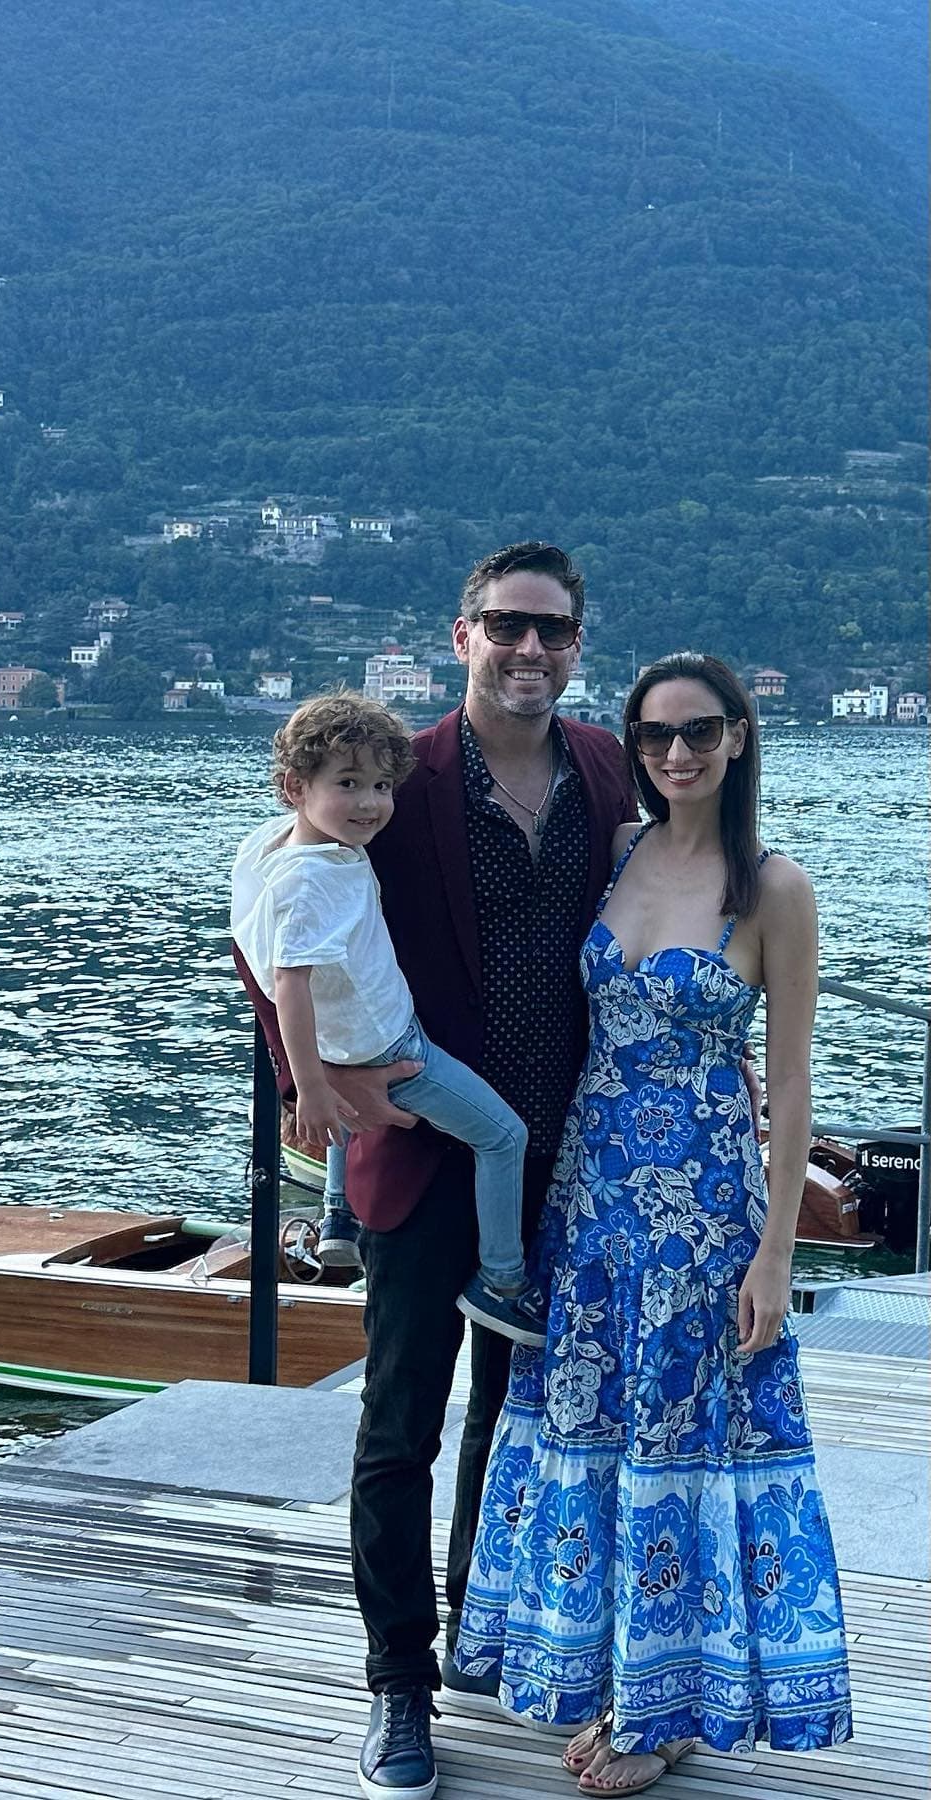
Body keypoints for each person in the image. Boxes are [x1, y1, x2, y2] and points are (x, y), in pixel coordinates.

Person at [232, 542, 639, 1800]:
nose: (531, 649)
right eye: (507, 625)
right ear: (461, 635)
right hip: (417, 1149)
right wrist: (309, 1083)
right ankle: (398, 1684)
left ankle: (480, 1631)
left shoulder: (603, 765)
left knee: (516, 1417)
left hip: (559, 1156)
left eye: (553, 631)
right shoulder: (388, 775)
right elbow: (265, 912)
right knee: (399, 1419)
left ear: (577, 645)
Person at [453, 653, 853, 1793]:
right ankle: (601, 1674)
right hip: (592, 1204)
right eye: (654, 735)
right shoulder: (617, 850)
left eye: (699, 732)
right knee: (596, 1433)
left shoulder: (770, 887)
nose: (677, 753)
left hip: (705, 1211)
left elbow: (789, 1089)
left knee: (679, 1444)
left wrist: (777, 1254)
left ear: (738, 739)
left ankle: (664, 1710)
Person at [230, 690, 544, 1344]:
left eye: (380, 784)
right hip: (393, 1052)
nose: (371, 804)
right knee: (503, 1137)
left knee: (356, 1117)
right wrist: (310, 1087)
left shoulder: (276, 846)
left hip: (358, 1036)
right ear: (295, 786)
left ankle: (339, 1217)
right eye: (347, 784)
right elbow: (290, 983)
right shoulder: (312, 882)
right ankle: (503, 1280)